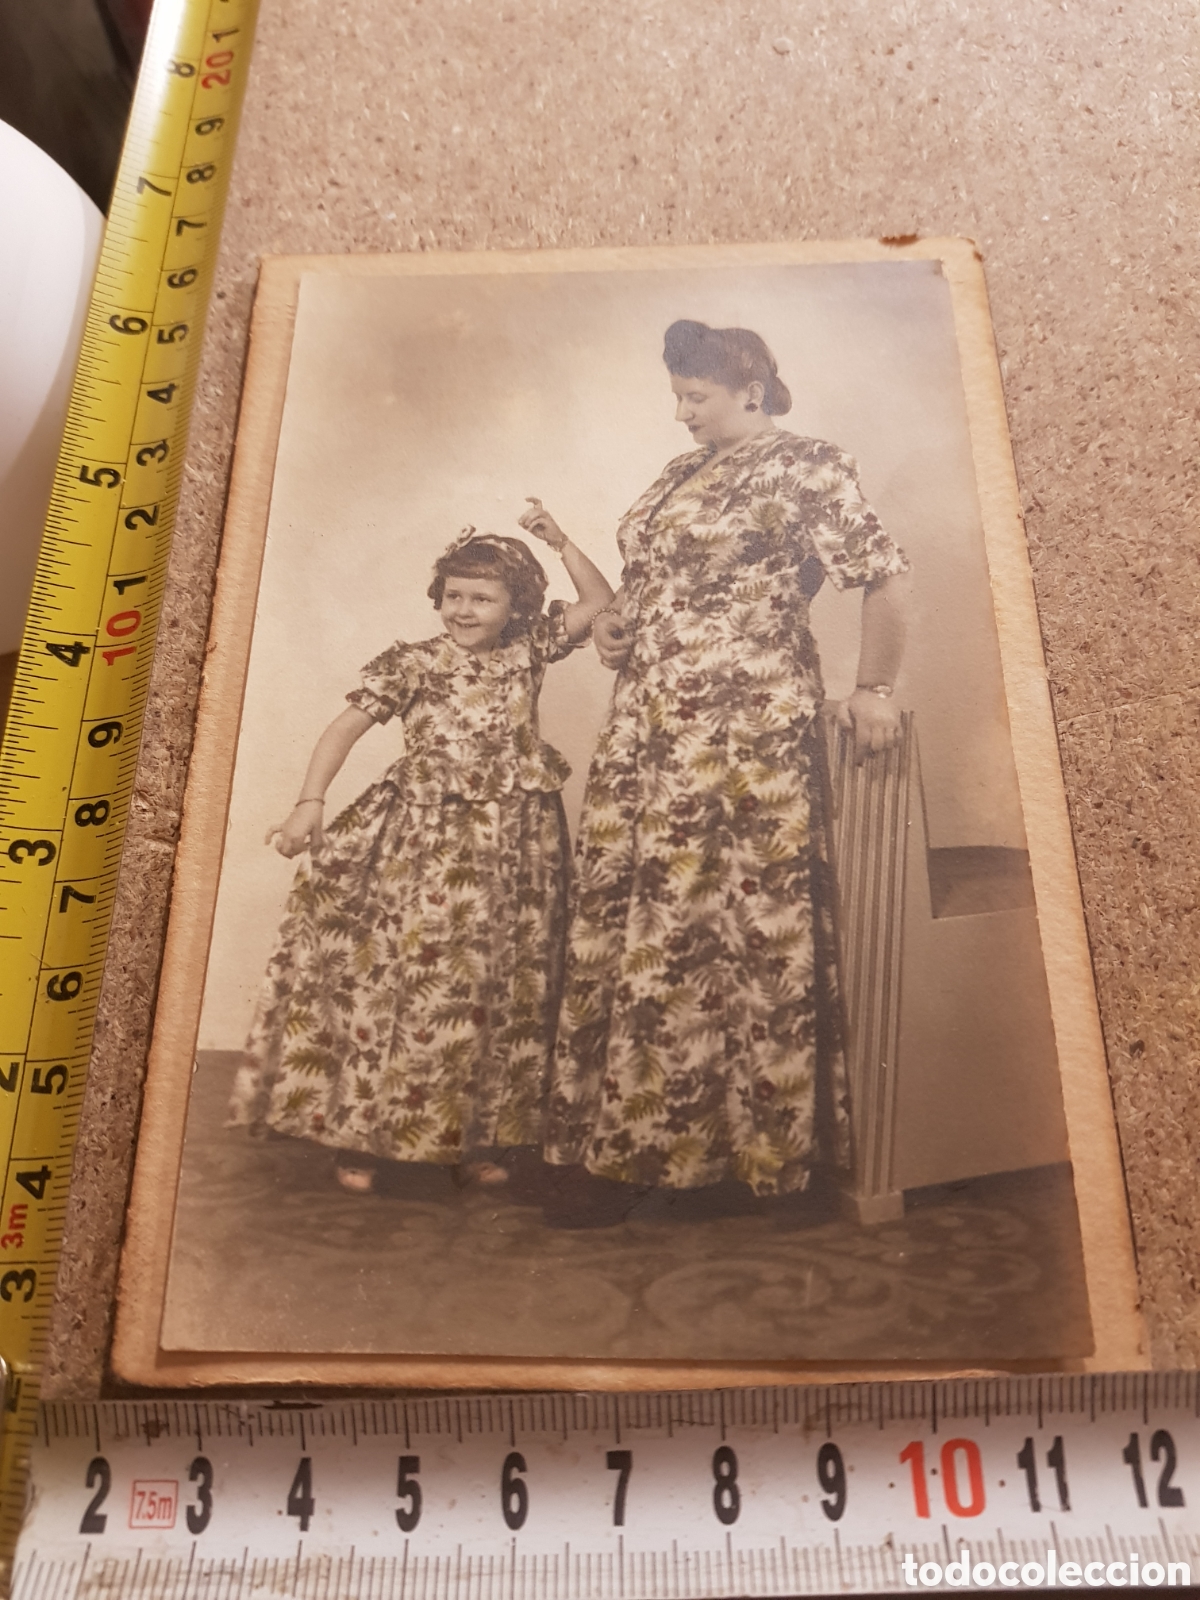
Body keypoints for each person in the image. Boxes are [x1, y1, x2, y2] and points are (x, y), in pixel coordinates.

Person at [526, 320, 912, 1221]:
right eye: (676, 396)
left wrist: (876, 686)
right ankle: (620, 1145)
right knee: (639, 915)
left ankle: (734, 1158)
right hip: (650, 728)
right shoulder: (677, 476)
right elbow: (652, 586)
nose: (681, 413)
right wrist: (618, 627)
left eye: (694, 397)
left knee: (721, 922)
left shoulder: (808, 464)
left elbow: (882, 576)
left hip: (743, 730)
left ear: (751, 388)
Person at [228, 529, 613, 1192]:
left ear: (515, 607)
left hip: (517, 849)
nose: (462, 610)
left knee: (498, 990)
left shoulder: (531, 651)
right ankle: (364, 1139)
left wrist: (559, 542)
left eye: (482, 599)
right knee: (409, 986)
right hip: (426, 848)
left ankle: (477, 1137)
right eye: (452, 596)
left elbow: (601, 597)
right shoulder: (413, 663)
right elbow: (343, 728)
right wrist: (309, 802)